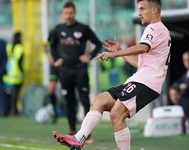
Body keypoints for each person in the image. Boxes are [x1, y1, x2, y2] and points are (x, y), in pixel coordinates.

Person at [52, 0, 171, 150]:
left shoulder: (154, 28)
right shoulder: (159, 30)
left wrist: (115, 54)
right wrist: (119, 51)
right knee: (99, 101)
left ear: (154, 10)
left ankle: (80, 139)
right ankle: (79, 138)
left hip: (147, 82)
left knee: (116, 114)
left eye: (142, 9)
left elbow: (142, 48)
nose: (139, 12)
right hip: (140, 79)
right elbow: (141, 63)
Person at [50, 1, 102, 143]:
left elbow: (98, 44)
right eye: (66, 13)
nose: (68, 16)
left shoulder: (83, 28)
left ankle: (86, 134)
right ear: (63, 14)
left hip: (80, 70)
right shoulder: (58, 29)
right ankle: (72, 131)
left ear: (75, 13)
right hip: (65, 71)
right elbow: (52, 46)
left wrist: (89, 56)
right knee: (69, 101)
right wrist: (56, 59)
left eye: (71, 13)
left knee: (85, 100)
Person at [42, 11, 67, 124]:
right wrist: (49, 57)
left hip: (66, 65)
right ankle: (55, 112)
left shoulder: (71, 31)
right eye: (63, 15)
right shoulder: (54, 31)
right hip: (55, 66)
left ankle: (72, 114)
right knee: (51, 90)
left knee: (69, 90)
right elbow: (44, 44)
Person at [172, 51, 189, 133]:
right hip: (185, 109)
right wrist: (181, 86)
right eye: (185, 60)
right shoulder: (187, 73)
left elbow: (187, 90)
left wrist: (182, 89)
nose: (187, 63)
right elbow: (175, 84)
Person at [3, 32, 24, 116]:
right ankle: (14, 111)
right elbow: (20, 62)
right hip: (17, 75)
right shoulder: (20, 48)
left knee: (9, 94)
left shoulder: (8, 46)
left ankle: (10, 110)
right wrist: (23, 72)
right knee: (15, 95)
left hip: (9, 74)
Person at [0, 38, 8, 116]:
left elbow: (5, 58)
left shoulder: (2, 43)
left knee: (1, 92)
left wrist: (1, 70)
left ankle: (3, 110)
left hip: (0, 72)